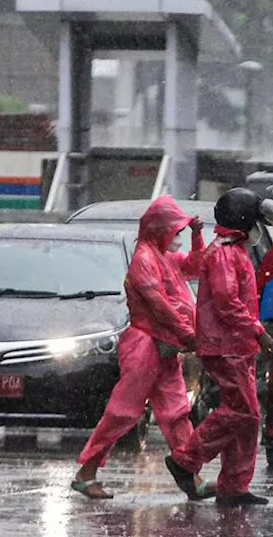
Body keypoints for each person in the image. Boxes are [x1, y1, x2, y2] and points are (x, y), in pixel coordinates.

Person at [72, 196, 210, 500]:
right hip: (145, 344)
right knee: (123, 412)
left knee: (176, 411)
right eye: (176, 231)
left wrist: (198, 236)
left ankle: (192, 475)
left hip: (166, 345)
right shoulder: (144, 260)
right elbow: (159, 305)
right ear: (161, 229)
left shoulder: (163, 257)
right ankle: (86, 473)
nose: (179, 238)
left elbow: (197, 266)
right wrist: (188, 333)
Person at [166, 188, 273, 507]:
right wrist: (261, 334)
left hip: (239, 346)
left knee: (249, 417)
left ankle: (234, 486)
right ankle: (186, 459)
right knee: (243, 410)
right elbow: (228, 304)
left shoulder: (236, 250)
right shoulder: (223, 254)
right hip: (225, 346)